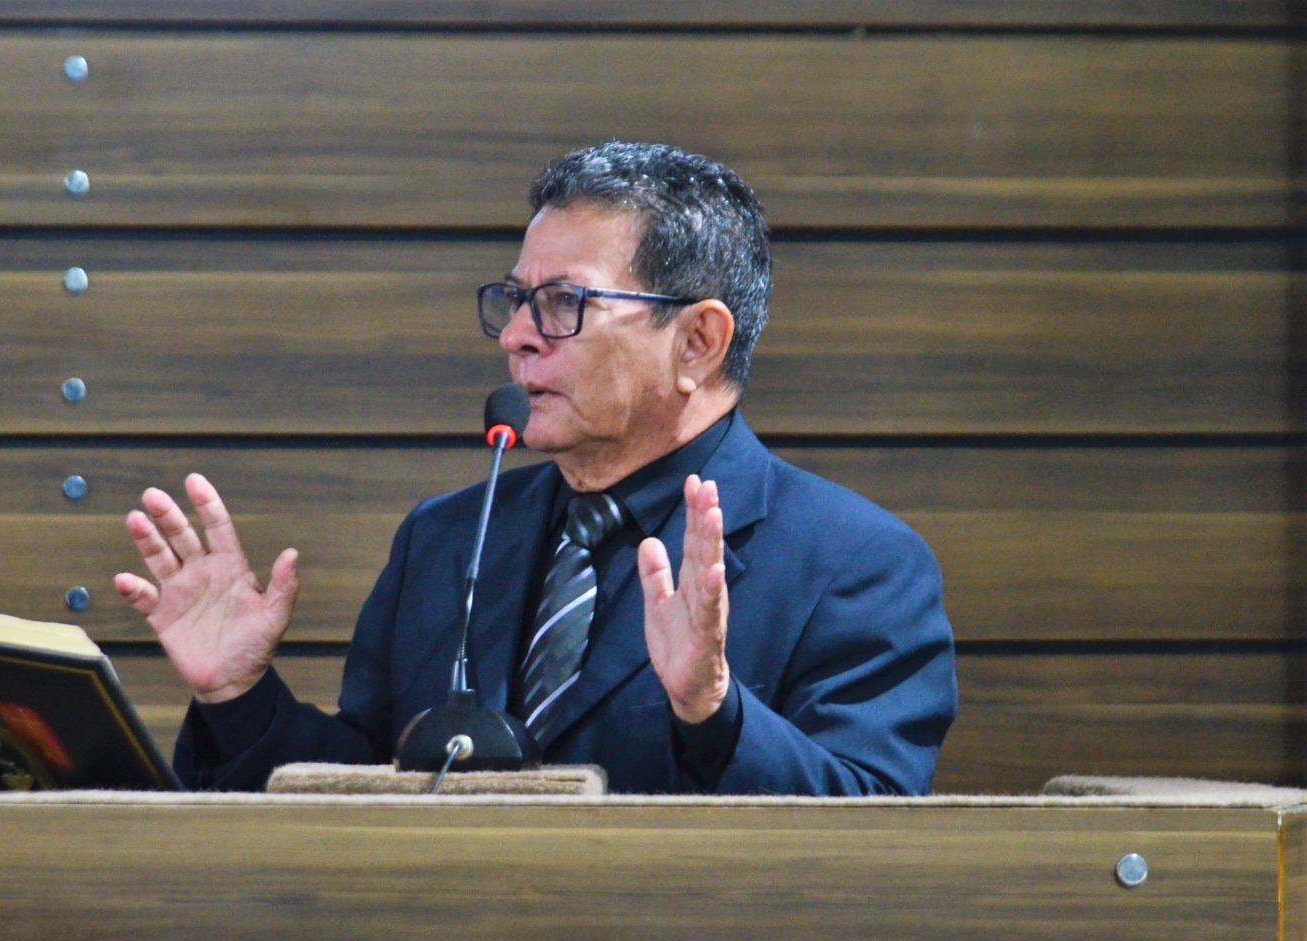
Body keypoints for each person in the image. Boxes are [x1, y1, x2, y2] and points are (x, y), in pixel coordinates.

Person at [116, 142, 956, 795]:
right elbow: (377, 789)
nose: (518, 334)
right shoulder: (446, 537)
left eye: (564, 304)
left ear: (698, 340)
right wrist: (241, 697)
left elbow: (870, 828)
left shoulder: (855, 564)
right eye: (516, 299)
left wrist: (713, 712)